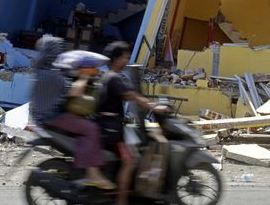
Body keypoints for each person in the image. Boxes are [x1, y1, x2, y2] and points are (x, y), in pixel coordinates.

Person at [30, 36, 115, 190]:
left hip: (40, 115)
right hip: (52, 117)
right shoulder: (53, 75)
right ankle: (93, 174)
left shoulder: (41, 70)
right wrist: (84, 75)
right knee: (91, 128)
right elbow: (74, 92)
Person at [97, 41, 168, 205]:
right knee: (131, 161)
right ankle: (121, 201)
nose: (126, 61)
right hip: (111, 130)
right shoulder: (114, 78)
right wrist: (154, 107)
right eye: (125, 57)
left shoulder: (108, 76)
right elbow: (132, 96)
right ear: (116, 59)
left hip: (110, 125)